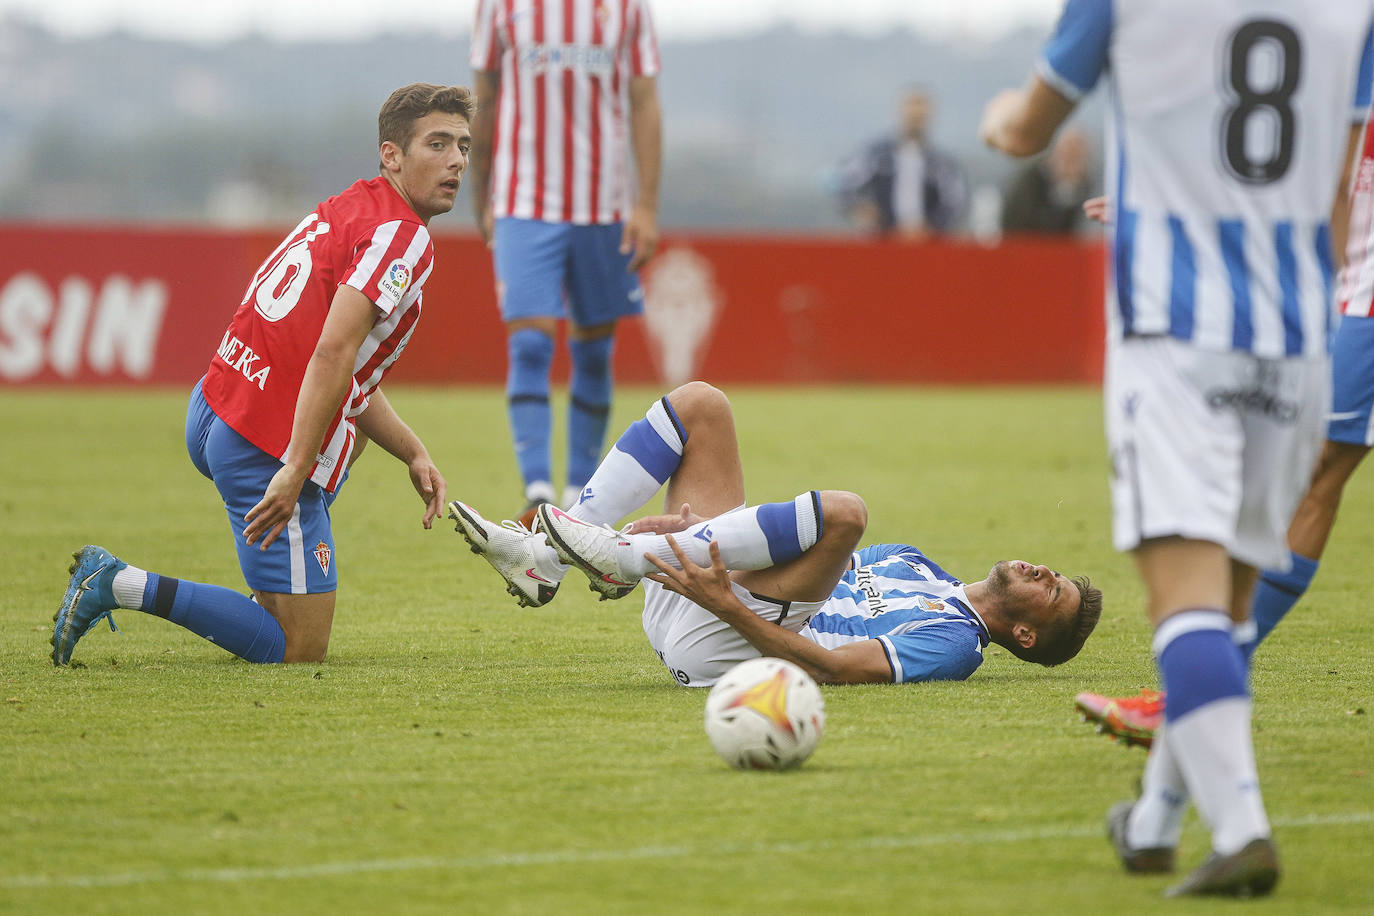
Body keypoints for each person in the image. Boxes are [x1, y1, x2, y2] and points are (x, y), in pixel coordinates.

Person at [980, 0, 1374, 899]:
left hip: (1177, 338)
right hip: (1296, 338)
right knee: (1231, 602)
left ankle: (1241, 830)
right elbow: (1338, 192)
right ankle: (1156, 820)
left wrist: (998, 115)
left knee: (1187, 598)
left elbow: (1028, 126)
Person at [51, 83, 475, 667]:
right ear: (392, 154)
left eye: (463, 145)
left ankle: (273, 590)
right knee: (298, 648)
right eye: (438, 143)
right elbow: (331, 354)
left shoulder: (353, 205)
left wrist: (412, 451)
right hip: (264, 441)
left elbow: (337, 368)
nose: (456, 160)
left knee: (292, 581)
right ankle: (119, 583)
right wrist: (296, 467)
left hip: (216, 405)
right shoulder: (401, 236)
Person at [447, 382, 1101, 688]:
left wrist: (725, 602)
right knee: (701, 405)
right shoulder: (914, 563)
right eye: (1055, 571)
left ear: (1025, 635)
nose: (1045, 571)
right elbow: (793, 560)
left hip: (730, 640)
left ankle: (623, 559)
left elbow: (837, 669)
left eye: (1054, 593)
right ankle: (552, 565)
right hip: (705, 590)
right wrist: (690, 531)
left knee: (843, 514)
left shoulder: (957, 644)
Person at [1076, 104, 1374, 745]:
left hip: (1361, 296)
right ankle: (1199, 696)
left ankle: (1196, 694)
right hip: (1339, 286)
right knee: (1312, 472)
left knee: (1316, 469)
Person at [466, 0, 663, 517]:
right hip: (523, 201)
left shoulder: (627, 9)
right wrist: (480, 191)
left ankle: (578, 496)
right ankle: (537, 492)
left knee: (594, 353)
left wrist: (645, 204)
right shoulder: (500, 7)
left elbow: (644, 100)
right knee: (530, 341)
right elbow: (484, 96)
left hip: (604, 206)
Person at [835, 87, 968, 240]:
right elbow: (843, 183)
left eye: (920, 116)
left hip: (927, 244)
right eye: (911, 114)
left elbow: (956, 200)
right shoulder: (875, 155)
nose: (915, 120)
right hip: (881, 240)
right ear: (900, 112)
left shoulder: (942, 163)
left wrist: (933, 226)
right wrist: (860, 209)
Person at [1000, 126, 1094, 235]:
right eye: (1067, 154)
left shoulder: (1083, 185)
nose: (1072, 163)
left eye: (1078, 157)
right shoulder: (1029, 181)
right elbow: (1018, 224)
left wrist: (1070, 190)